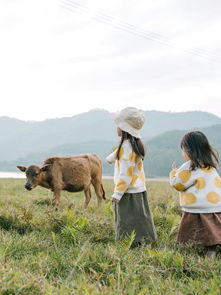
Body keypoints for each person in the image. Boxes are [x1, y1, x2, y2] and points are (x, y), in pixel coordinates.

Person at [106, 107, 157, 246]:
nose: (116, 127)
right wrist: (111, 158)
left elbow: (125, 173)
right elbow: (120, 154)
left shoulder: (127, 148)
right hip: (137, 188)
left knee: (126, 219)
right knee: (140, 217)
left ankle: (129, 243)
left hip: (127, 190)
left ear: (124, 128)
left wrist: (117, 193)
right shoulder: (131, 145)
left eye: (118, 125)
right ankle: (145, 240)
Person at [170, 130, 221, 257]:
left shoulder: (190, 166)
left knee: (194, 233)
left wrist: (174, 173)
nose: (183, 154)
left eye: (183, 150)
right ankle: (211, 251)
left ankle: (194, 253)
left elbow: (178, 184)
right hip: (215, 207)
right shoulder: (211, 166)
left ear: (189, 150)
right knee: (211, 234)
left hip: (196, 208)